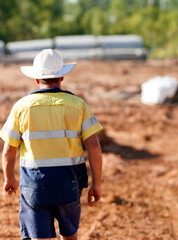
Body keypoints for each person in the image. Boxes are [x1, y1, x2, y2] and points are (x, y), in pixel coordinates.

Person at [0, 49, 103, 240]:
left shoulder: (22, 107)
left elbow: (8, 150)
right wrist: (96, 183)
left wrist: (9, 178)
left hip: (35, 185)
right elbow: (94, 147)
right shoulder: (78, 105)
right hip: (69, 184)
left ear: (37, 79)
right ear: (62, 76)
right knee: (70, 235)